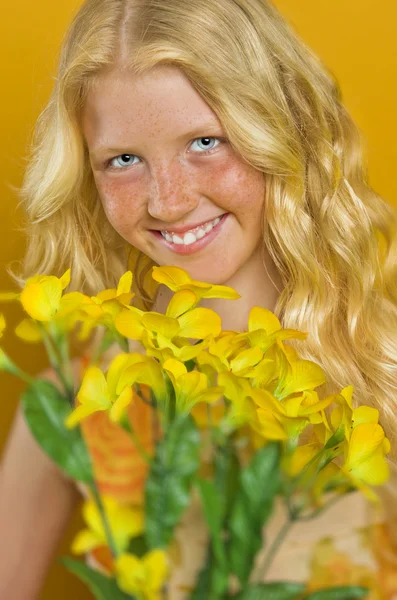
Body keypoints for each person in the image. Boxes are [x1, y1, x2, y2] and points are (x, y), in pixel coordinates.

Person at [1, 0, 397, 597]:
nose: (168, 201)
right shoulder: (77, 386)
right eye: (124, 159)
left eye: (205, 142)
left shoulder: (383, 364)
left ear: (281, 127)